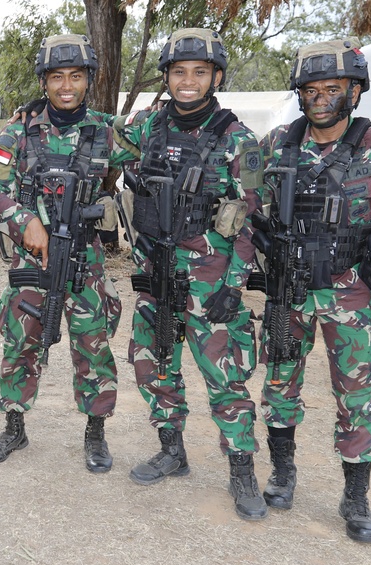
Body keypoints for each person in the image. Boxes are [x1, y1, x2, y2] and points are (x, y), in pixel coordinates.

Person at [255, 39, 371, 542]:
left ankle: (356, 498)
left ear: (354, 90)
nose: (321, 98)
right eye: (311, 90)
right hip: (289, 285)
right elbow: (244, 202)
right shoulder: (276, 145)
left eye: (333, 89)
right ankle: (282, 474)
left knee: (356, 396)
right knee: (279, 383)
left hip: (348, 291)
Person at [114, 29, 267, 519]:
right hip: (155, 267)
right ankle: (171, 449)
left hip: (211, 277)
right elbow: (99, 139)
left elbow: (253, 217)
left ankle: (242, 471)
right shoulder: (146, 127)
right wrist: (36, 112)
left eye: (199, 72)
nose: (188, 81)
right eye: (179, 72)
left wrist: (235, 283)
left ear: (216, 77)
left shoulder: (236, 139)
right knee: (153, 359)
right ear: (167, 77)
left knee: (224, 375)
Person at [0, 34, 125, 473]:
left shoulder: (107, 131)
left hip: (85, 262)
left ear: (88, 81)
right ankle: (14, 426)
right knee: (20, 344)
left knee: (92, 348)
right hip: (33, 262)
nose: (66, 86)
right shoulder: (19, 131)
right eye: (56, 77)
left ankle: (95, 432)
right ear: (44, 82)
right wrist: (26, 222)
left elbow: (160, 139)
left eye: (75, 77)